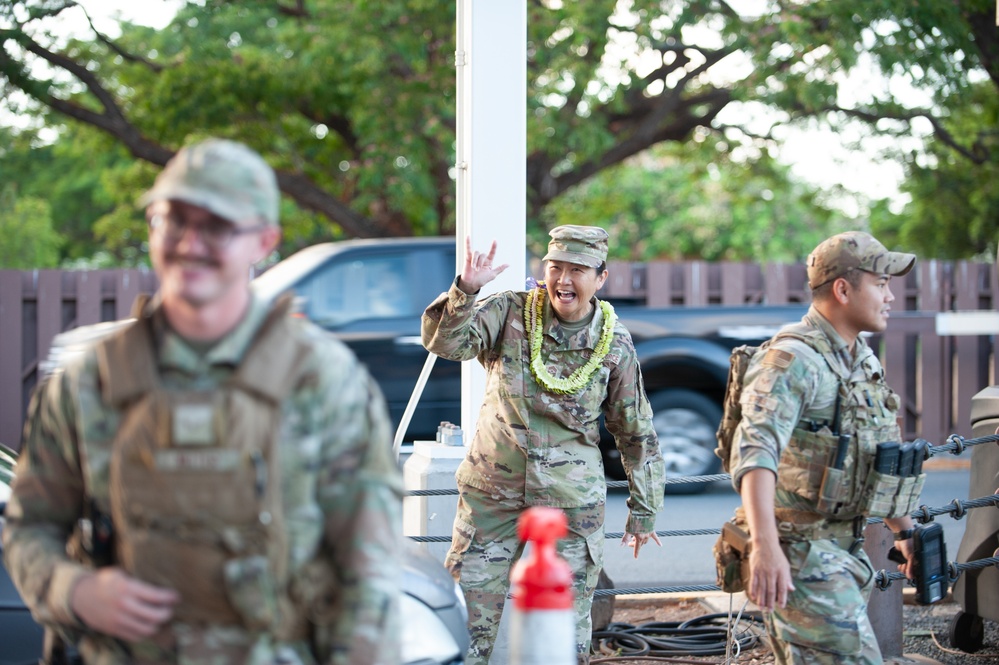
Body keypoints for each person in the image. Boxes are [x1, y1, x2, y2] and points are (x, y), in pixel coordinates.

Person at [2, 138, 404, 665]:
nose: (190, 243)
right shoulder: (88, 383)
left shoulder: (323, 381)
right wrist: (75, 592)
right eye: (173, 220)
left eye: (215, 226)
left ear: (264, 240)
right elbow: (29, 526)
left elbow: (368, 570)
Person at [421, 226, 666, 665]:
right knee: (464, 620)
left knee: (565, 630)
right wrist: (466, 290)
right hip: (492, 493)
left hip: (571, 500)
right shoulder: (510, 312)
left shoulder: (615, 343)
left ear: (601, 278)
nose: (564, 280)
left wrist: (644, 509)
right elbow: (445, 343)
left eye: (578, 270)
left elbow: (635, 429)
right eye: (555, 267)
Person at [728, 231, 920, 664]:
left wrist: (904, 532)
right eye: (882, 283)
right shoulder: (795, 360)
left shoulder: (860, 358)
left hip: (845, 554)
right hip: (800, 556)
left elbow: (878, 455)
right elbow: (754, 454)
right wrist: (765, 547)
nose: (891, 296)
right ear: (843, 288)